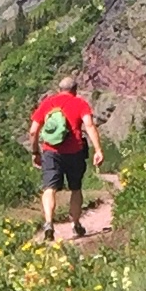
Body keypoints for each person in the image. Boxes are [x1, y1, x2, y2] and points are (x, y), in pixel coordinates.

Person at [26, 84, 109, 241]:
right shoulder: (80, 103)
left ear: (59, 89)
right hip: (74, 153)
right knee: (75, 189)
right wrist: (98, 150)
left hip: (51, 152)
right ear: (75, 90)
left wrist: (35, 151)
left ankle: (49, 223)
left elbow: (33, 130)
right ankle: (76, 224)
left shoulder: (48, 103)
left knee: (49, 188)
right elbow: (90, 125)